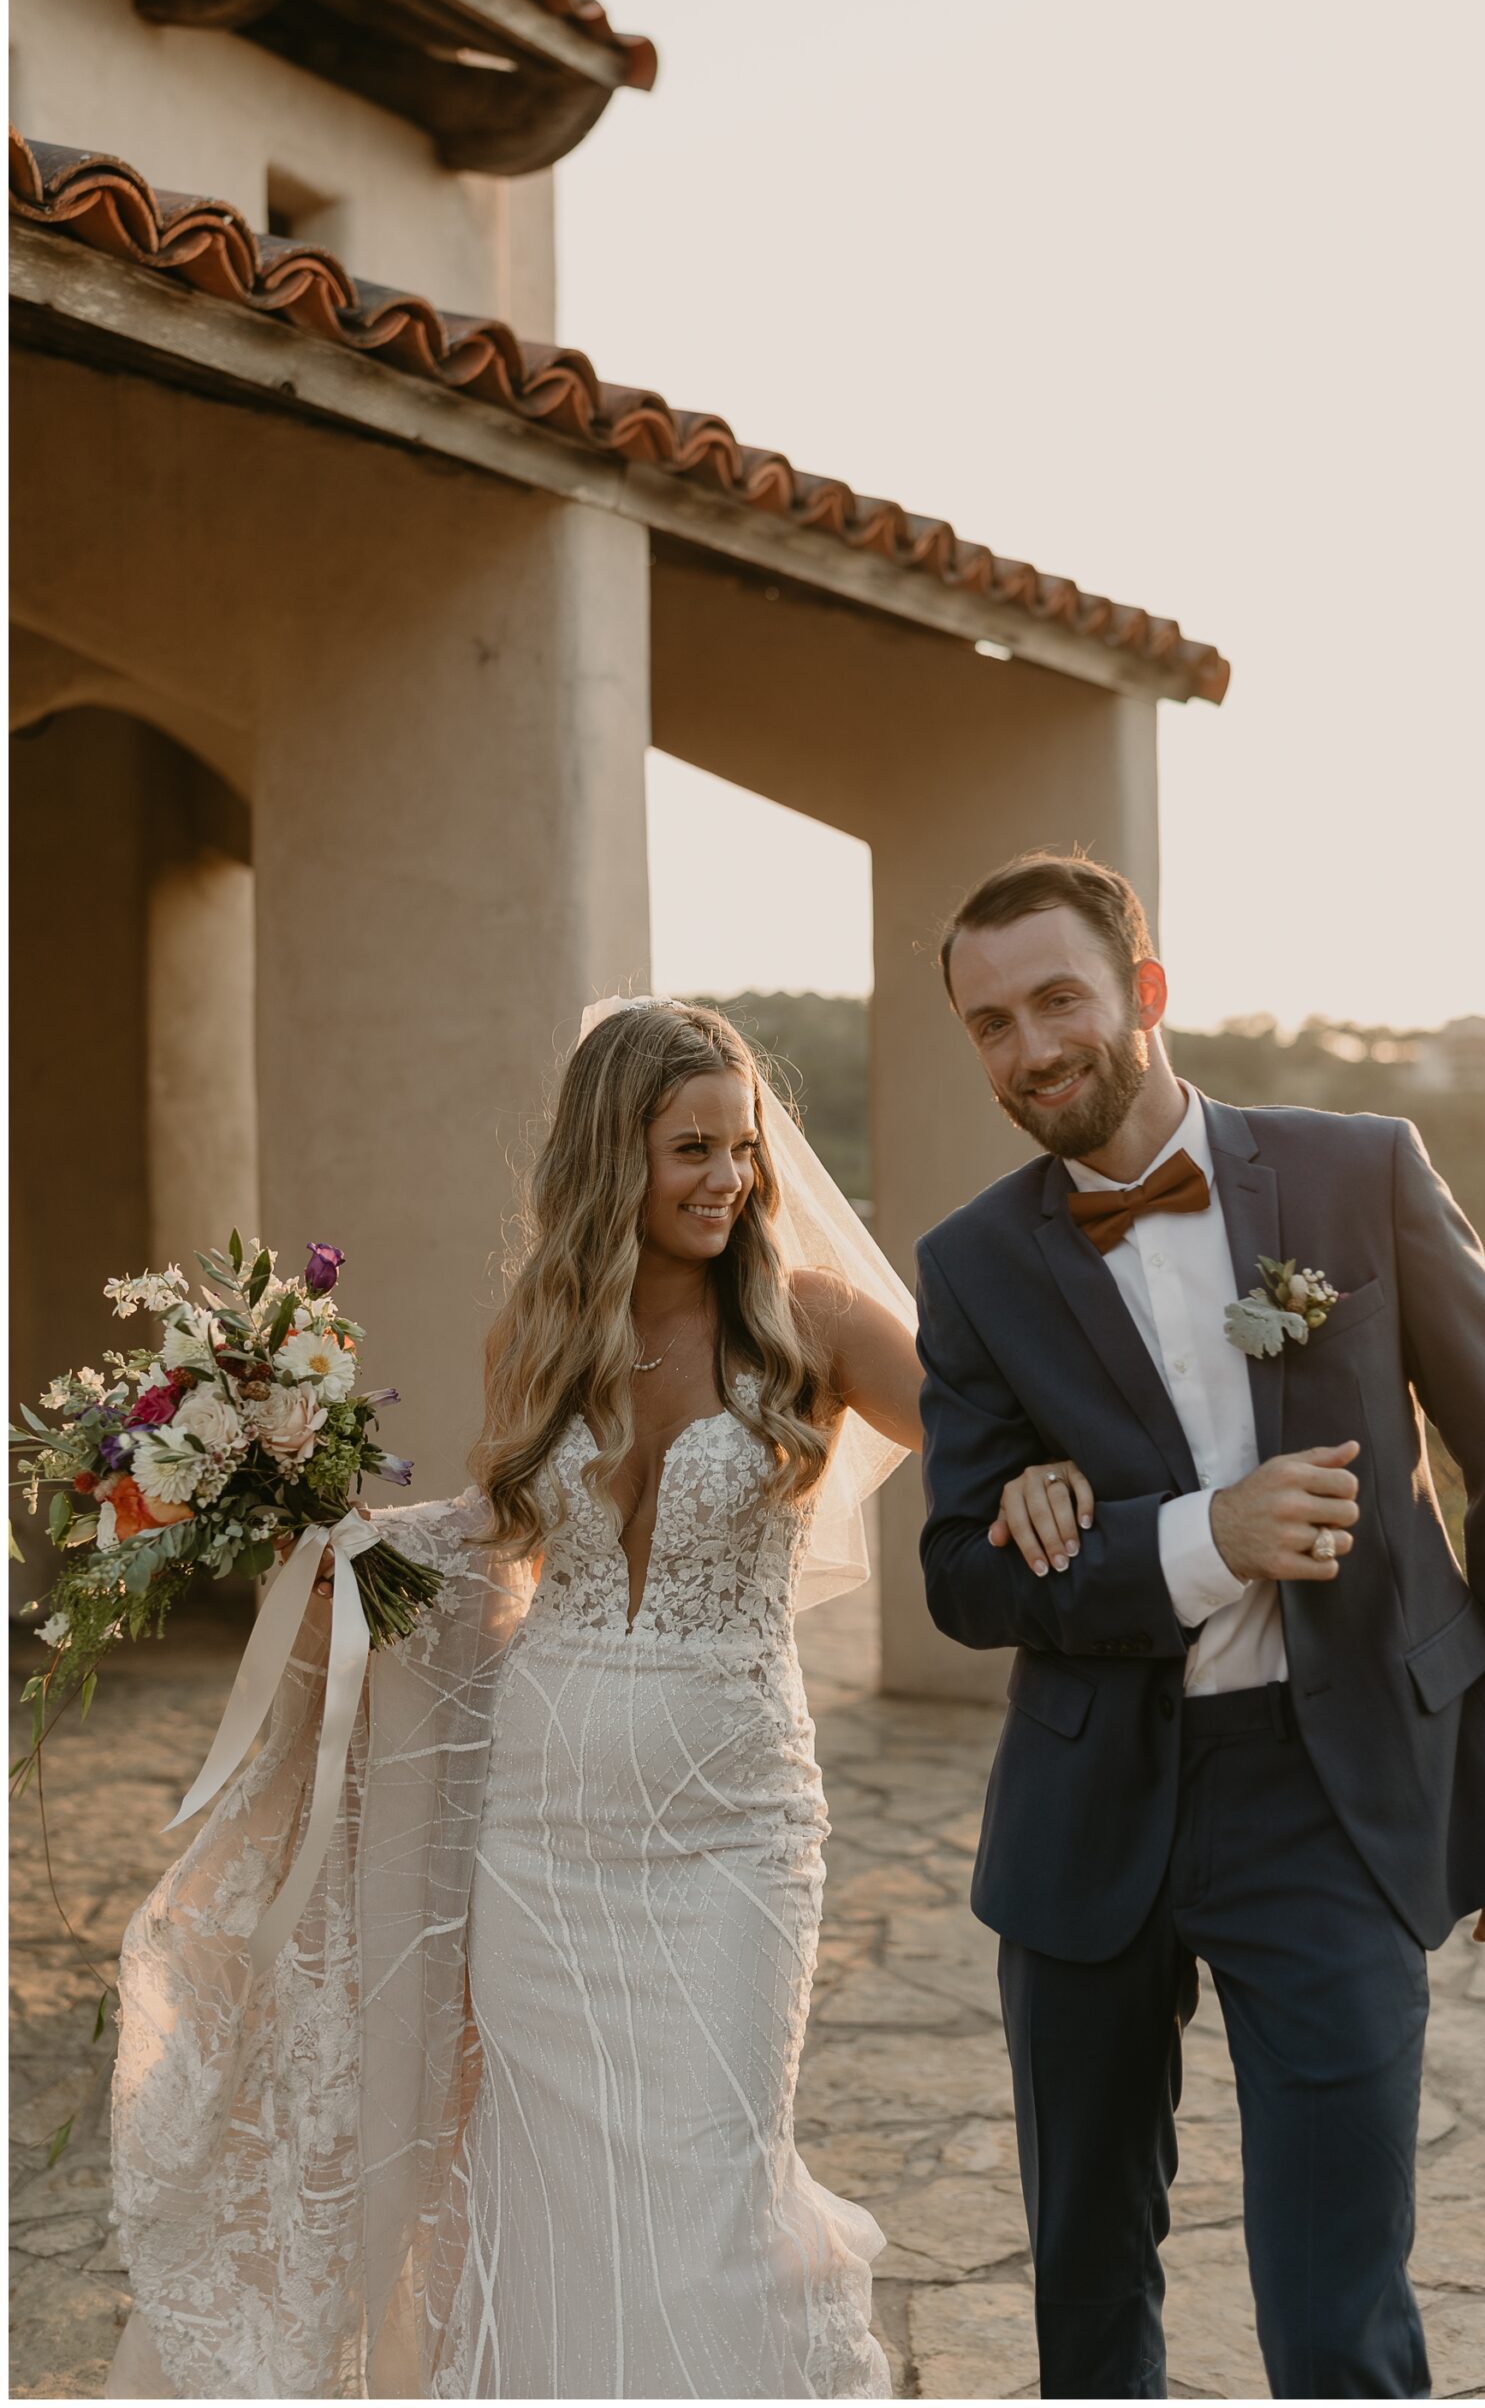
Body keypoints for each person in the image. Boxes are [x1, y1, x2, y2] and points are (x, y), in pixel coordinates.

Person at [107, 996, 974, 2400]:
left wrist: (1057, 1480)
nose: (728, 1181)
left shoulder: (809, 1321)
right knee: (544, 2186)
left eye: (741, 1149)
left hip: (733, 1835)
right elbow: (499, 1553)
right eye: (691, 1149)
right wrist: (332, 1549)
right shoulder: (540, 1331)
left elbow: (984, 1435)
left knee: (713, 2180)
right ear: (607, 1158)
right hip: (545, 1842)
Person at [914, 851, 1485, 2401]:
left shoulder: (1359, 1170)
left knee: (1337, 2313)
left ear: (1145, 995)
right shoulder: (967, 1265)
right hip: (1089, 1815)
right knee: (1086, 2298)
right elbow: (963, 1576)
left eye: (1057, 1001)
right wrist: (1191, 1542)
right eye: (989, 1024)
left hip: (1334, 1797)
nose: (1028, 1049)